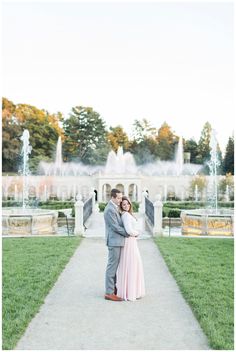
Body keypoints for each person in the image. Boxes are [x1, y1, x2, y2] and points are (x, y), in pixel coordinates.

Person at [116, 196, 145, 301]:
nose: (126, 206)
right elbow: (129, 230)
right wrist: (137, 233)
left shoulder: (126, 214)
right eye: (124, 204)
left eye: (128, 204)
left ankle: (130, 290)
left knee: (131, 264)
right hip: (130, 241)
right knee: (132, 264)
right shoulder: (126, 215)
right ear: (121, 206)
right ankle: (131, 292)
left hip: (131, 241)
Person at [104, 189, 130, 301]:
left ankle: (113, 289)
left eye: (121, 198)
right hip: (114, 242)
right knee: (112, 267)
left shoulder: (114, 207)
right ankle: (109, 293)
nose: (120, 200)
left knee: (114, 266)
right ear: (113, 197)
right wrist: (128, 233)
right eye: (119, 198)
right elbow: (115, 227)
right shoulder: (110, 209)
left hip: (117, 241)